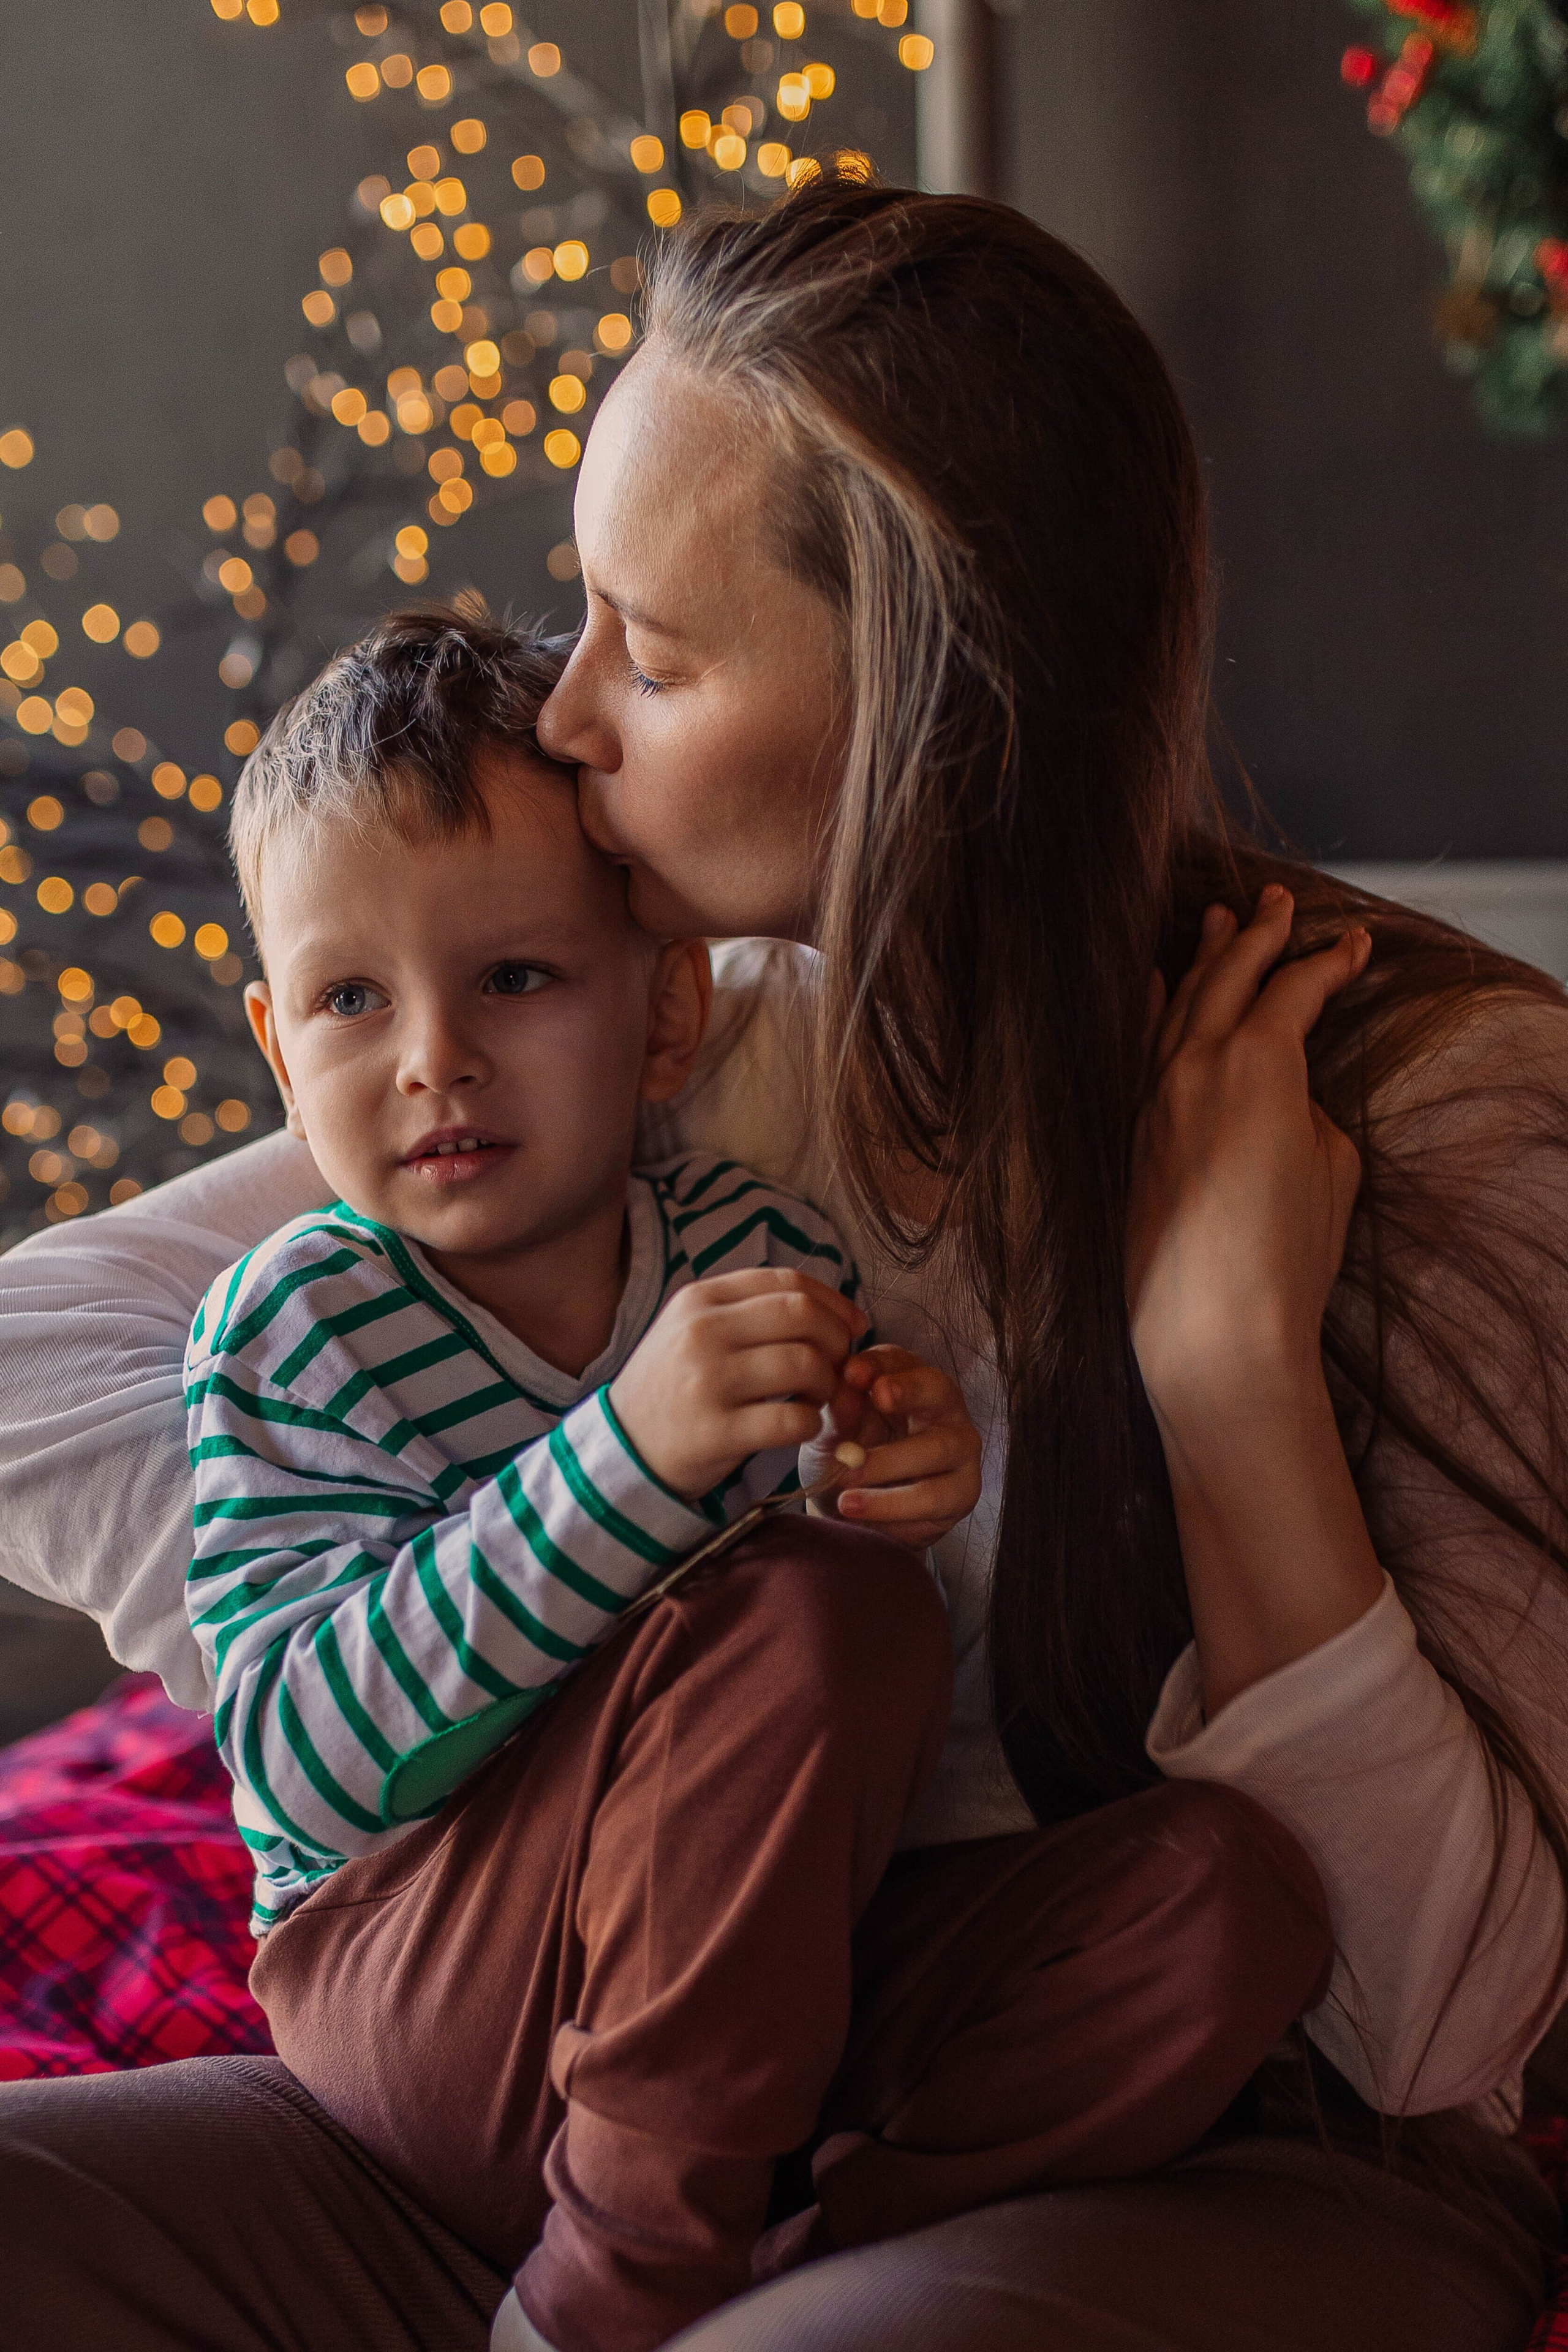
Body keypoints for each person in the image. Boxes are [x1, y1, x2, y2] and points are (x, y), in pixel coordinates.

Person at [0, 170, 1563, 2352]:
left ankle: (705, 2245)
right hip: (609, 2062)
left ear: (927, 710)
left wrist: (1228, 1385)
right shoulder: (692, 1033)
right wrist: (513, 1642)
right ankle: (663, 2210)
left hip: (1207, 2138)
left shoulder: (1435, 1110)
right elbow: (37, 1354)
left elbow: (1437, 2038)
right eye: (580, 618)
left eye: (652, 646)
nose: (561, 717)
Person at [186, 606, 979, 1943]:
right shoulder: (300, 1323)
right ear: (281, 1058)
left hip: (743, 1920)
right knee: (811, 1600)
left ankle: (797, 2112)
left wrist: (889, 1480)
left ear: (668, 1013)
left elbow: (810, 1683)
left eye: (511, 975)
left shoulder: (758, 1248)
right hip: (419, 1944)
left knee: (1206, 1893)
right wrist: (625, 1456)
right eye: (351, 1000)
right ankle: (666, 2148)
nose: (433, 1057)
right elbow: (302, 1768)